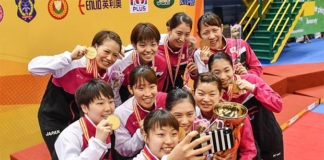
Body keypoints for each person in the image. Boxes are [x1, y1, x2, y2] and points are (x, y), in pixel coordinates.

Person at [28, 30, 122, 158]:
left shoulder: (110, 71)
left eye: (115, 55)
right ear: (94, 47)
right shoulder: (72, 63)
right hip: (55, 119)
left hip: (80, 119)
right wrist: (69, 57)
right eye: (106, 52)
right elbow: (33, 67)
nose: (110, 58)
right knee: (60, 155)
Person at [208, 52, 283, 160]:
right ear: (210, 73)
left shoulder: (251, 80)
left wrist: (253, 88)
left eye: (227, 70)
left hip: (268, 138)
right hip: (243, 148)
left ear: (233, 68)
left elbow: (278, 105)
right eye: (216, 72)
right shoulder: (215, 97)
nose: (223, 76)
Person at [193, 72, 257, 160]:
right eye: (201, 94)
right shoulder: (189, 116)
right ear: (193, 93)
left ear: (221, 95)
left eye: (212, 94)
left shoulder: (237, 116)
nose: (206, 99)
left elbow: (249, 151)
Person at [54, 79, 122, 160]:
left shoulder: (110, 125)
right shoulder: (70, 135)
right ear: (85, 108)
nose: (108, 108)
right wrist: (98, 142)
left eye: (111, 102)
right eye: (100, 103)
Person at [114, 65, 167, 157]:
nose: (147, 94)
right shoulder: (121, 113)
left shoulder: (165, 99)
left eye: (151, 87)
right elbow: (123, 150)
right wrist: (141, 133)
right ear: (131, 89)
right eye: (141, 88)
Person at [110, 23, 168, 103]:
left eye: (153, 44)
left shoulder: (162, 63)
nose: (148, 50)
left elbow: (157, 92)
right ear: (134, 45)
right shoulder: (120, 66)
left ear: (158, 44)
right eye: (143, 45)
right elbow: (114, 94)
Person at [194, 12, 262, 77]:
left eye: (215, 30)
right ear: (199, 34)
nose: (212, 36)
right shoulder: (200, 54)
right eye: (206, 33)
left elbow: (257, 68)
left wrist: (247, 74)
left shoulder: (241, 45)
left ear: (222, 28)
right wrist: (206, 64)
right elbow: (205, 83)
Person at [158, 12, 198, 92]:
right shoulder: (156, 42)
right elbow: (135, 48)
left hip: (177, 96)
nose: (182, 39)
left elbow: (196, 77)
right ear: (169, 30)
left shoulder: (190, 47)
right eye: (179, 33)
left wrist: (195, 72)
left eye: (187, 34)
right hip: (156, 95)